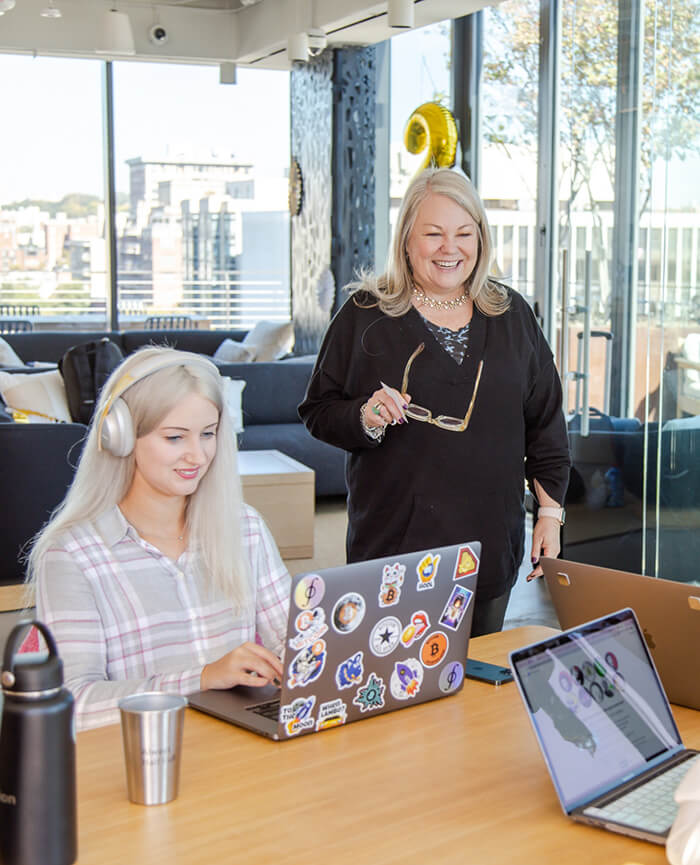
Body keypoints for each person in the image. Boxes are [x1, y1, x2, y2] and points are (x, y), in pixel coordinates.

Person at [298, 167, 570, 637]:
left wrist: (549, 513)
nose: (451, 248)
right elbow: (318, 411)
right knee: (394, 691)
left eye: (464, 233)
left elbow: (545, 422)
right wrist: (365, 415)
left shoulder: (512, 315)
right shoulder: (365, 314)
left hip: (488, 549)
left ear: (481, 239)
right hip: (393, 555)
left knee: (478, 697)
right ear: (407, 239)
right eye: (433, 234)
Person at [26, 346, 290, 731]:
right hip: (138, 761)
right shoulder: (71, 555)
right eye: (175, 438)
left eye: (208, 435)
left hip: (245, 747)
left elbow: (293, 639)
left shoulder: (244, 528)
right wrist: (201, 678)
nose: (197, 456)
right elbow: (72, 703)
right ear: (121, 437)